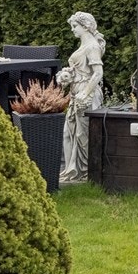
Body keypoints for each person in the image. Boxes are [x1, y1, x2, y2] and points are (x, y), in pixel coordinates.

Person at [55, 11, 105, 184]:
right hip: (76, 92)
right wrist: (67, 76)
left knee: (82, 135)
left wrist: (86, 93)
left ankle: (83, 171)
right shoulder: (84, 46)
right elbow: (80, 71)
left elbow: (98, 73)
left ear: (85, 26)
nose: (72, 30)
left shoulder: (92, 46)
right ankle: (71, 169)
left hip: (86, 94)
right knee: (68, 133)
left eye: (75, 26)